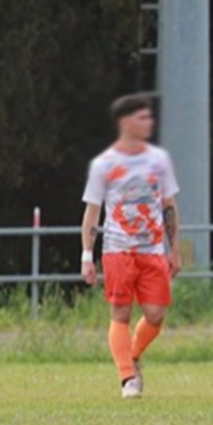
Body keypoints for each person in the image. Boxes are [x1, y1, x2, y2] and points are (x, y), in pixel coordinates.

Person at [80, 94, 181, 399]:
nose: (148, 122)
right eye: (142, 117)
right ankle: (128, 378)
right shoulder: (104, 165)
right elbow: (92, 213)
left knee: (156, 314)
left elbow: (169, 206)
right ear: (125, 122)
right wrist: (87, 255)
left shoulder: (159, 160)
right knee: (120, 313)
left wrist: (174, 248)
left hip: (151, 250)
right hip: (117, 249)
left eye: (149, 117)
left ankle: (133, 355)